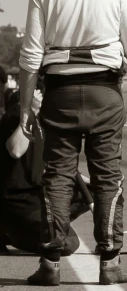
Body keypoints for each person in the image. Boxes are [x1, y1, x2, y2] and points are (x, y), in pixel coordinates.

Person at [16, 0, 127, 285]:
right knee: (108, 178)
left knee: (56, 176)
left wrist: (26, 108)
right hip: (105, 93)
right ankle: (111, 263)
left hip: (59, 93)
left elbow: (30, 57)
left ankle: (50, 264)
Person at [1, 87, 90, 257]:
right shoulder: (13, 118)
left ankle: (51, 227)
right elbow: (16, 150)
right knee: (68, 244)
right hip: (18, 201)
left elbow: (56, 164)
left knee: (94, 191)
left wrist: (92, 182)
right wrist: (30, 111)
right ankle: (8, 233)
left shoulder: (44, 123)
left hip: (39, 196)